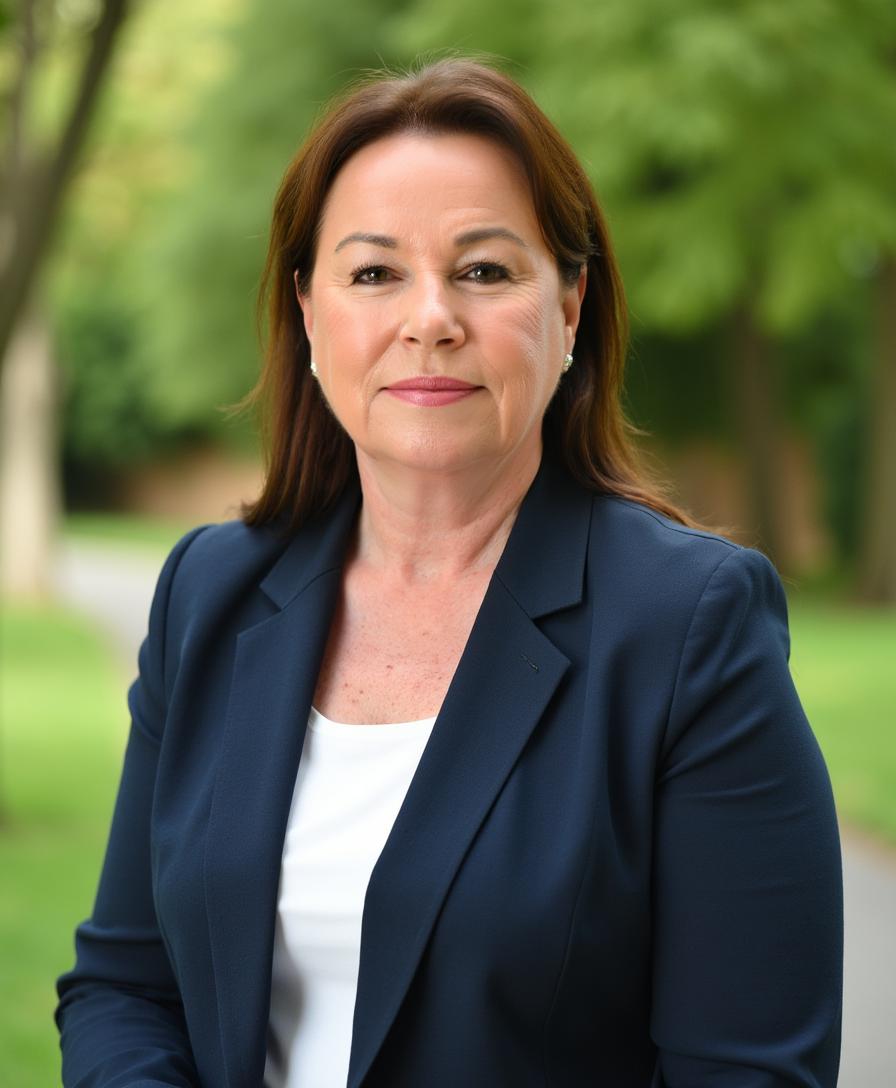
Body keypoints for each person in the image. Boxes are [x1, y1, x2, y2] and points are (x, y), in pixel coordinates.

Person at [55, 59, 843, 1087]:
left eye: (482, 270)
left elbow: (746, 1070)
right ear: (307, 313)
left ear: (568, 306)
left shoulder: (688, 625)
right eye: (374, 273)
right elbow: (128, 983)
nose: (429, 317)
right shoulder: (211, 592)